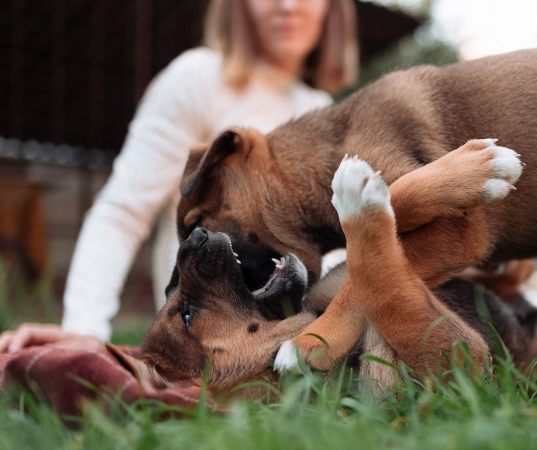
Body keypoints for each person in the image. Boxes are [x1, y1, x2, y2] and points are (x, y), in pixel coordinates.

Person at [0, 0, 358, 352]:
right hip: (202, 341)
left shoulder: (321, 109)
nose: (288, 6)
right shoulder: (199, 78)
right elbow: (122, 213)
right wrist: (84, 330)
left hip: (294, 344)